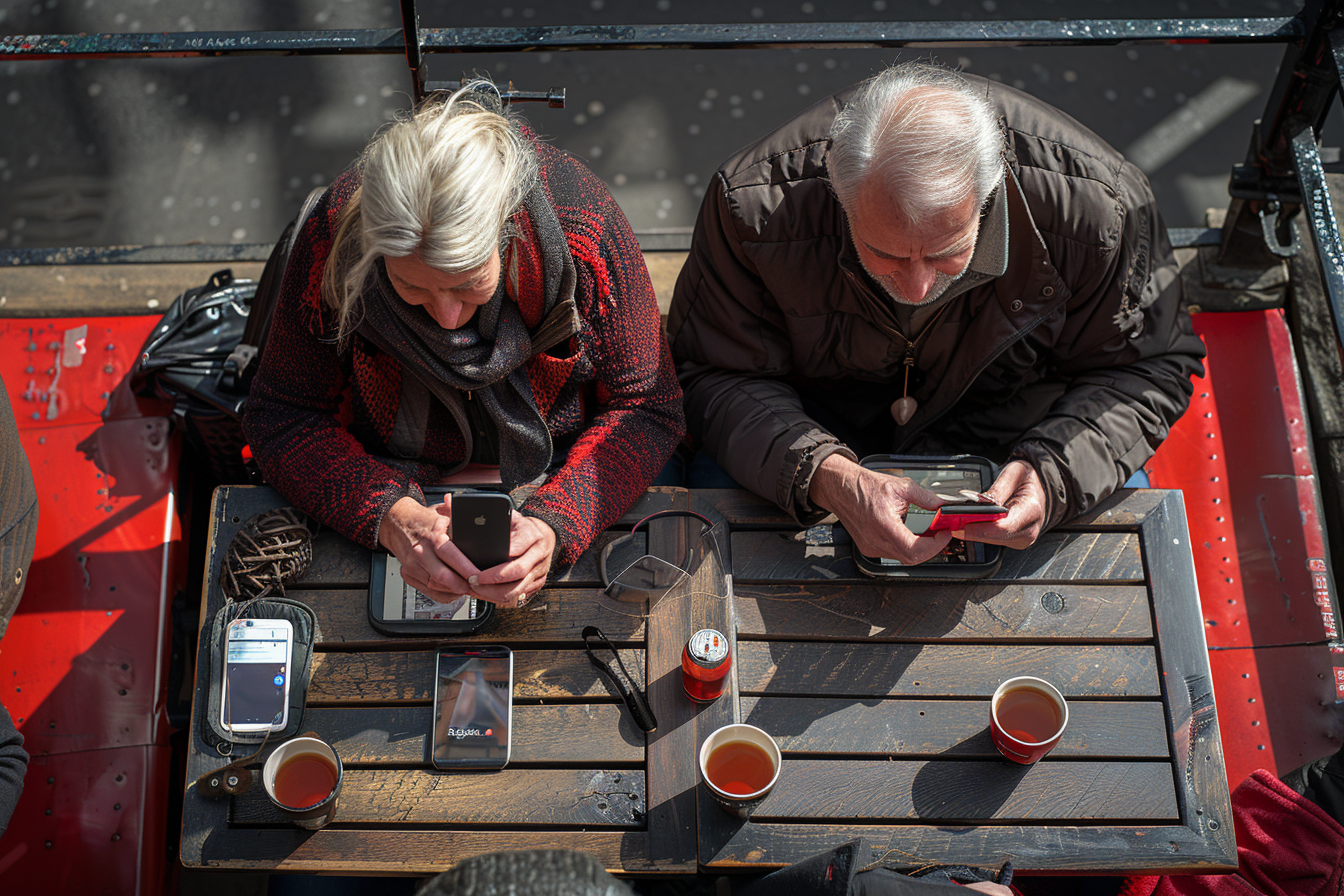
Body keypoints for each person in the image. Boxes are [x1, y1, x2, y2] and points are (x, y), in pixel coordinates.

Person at [667, 62, 1205, 563]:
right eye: (887, 255)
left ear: (989, 191)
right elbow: (714, 371)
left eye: (947, 252)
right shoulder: (752, 204)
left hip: (1019, 441)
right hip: (807, 433)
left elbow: (1147, 369)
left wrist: (1052, 474)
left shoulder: (1101, 207)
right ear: (837, 191)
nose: (918, 285)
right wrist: (825, 474)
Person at [243, 83, 685, 608]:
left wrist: (557, 523)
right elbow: (282, 416)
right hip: (391, 475)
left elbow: (649, 409)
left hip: (560, 471)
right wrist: (391, 516)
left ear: (506, 229)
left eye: (468, 282)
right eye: (411, 289)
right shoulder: (333, 238)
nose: (447, 317)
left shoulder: (583, 227)